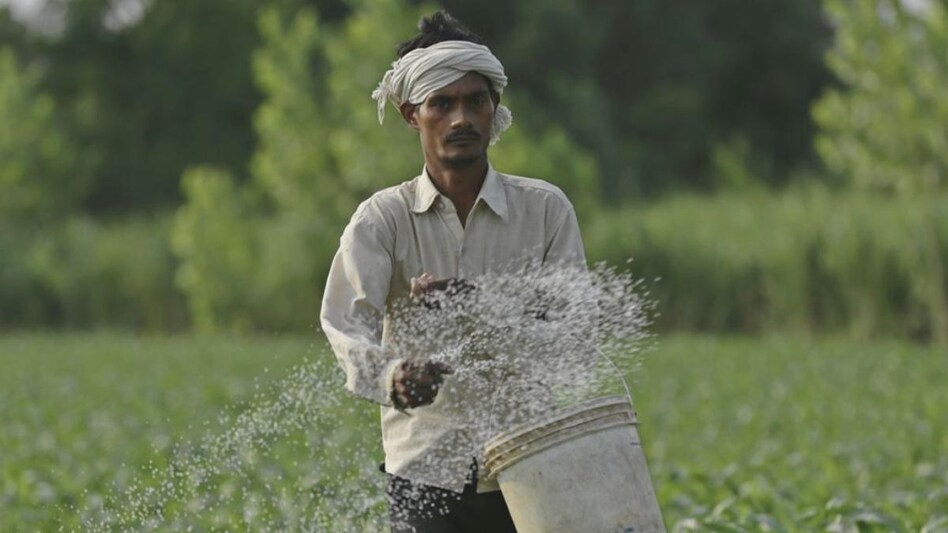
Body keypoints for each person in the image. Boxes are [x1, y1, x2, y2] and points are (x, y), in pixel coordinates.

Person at [319, 10, 586, 533]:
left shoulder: (546, 210)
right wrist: (393, 376)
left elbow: (572, 333)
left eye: (475, 101)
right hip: (426, 473)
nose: (460, 118)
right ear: (411, 115)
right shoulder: (384, 219)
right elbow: (346, 323)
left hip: (527, 464)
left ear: (494, 110)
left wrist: (485, 302)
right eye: (441, 103)